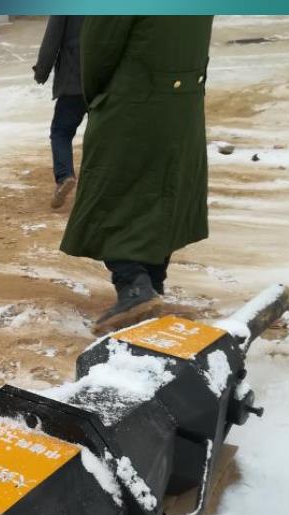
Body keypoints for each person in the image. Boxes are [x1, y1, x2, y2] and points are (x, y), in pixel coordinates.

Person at [60, 16, 214, 332]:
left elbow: (99, 49)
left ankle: (133, 285)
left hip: (133, 99)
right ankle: (153, 284)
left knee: (109, 194)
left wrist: (99, 98)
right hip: (184, 102)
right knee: (165, 194)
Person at [32, 15, 86, 209]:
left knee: (61, 132)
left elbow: (52, 39)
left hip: (74, 81)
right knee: (101, 134)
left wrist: (41, 72)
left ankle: (65, 176)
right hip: (104, 82)